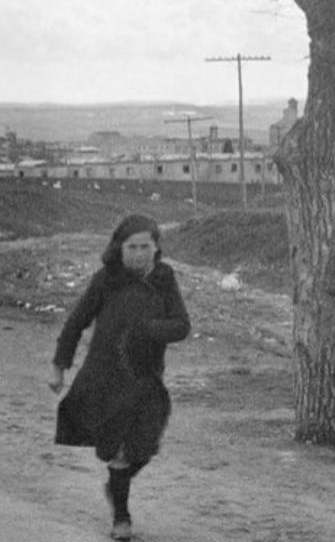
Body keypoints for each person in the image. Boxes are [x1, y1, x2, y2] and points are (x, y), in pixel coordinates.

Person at [49, 214, 191, 541]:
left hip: (147, 378)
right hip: (105, 378)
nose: (139, 253)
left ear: (156, 249)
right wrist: (59, 365)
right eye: (132, 246)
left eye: (146, 246)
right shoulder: (106, 280)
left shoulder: (164, 278)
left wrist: (151, 329)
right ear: (119, 247)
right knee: (119, 450)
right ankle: (121, 517)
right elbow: (76, 323)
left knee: (145, 446)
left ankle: (117, 485)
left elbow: (182, 325)